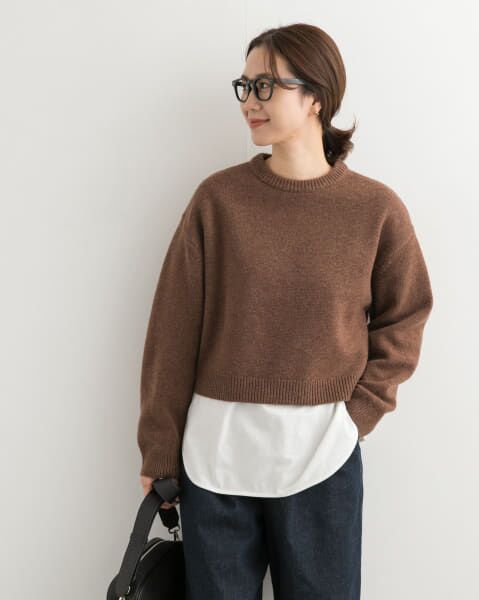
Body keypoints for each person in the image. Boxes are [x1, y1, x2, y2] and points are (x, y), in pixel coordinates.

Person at [138, 22, 433, 600]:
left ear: (316, 96)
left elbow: (407, 316)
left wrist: (356, 417)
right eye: (245, 86)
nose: (250, 101)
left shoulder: (375, 209)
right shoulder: (218, 201)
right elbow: (172, 332)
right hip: (215, 457)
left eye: (266, 86)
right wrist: (158, 447)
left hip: (322, 454)